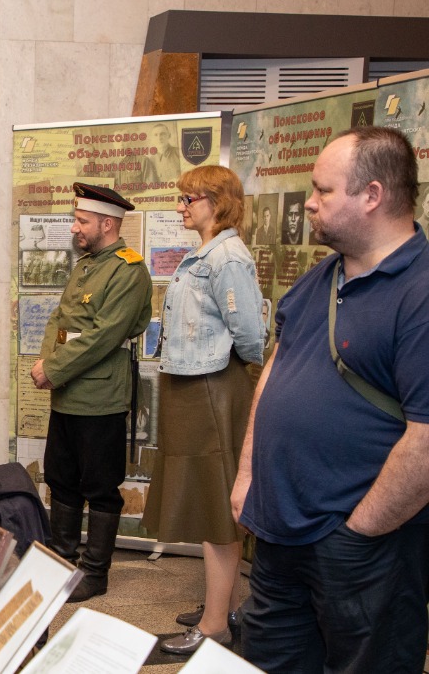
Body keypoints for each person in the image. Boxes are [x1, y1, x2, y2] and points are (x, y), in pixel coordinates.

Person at [233, 126, 429, 672]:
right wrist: (250, 475)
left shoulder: (421, 292)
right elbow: (278, 365)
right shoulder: (324, 273)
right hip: (280, 534)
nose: (310, 204)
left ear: (372, 195)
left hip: (365, 547)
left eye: (323, 191)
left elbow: (427, 441)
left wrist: (359, 531)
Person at [141, 166, 265, 654]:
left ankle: (216, 626)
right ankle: (227, 606)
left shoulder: (227, 256)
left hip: (214, 386)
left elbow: (252, 337)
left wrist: (230, 382)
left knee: (217, 505)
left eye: (188, 199)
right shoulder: (206, 253)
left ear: (217, 201)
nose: (180, 207)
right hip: (194, 384)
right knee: (209, 500)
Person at [31, 182, 152, 603]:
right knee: (62, 479)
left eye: (82, 221)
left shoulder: (128, 270)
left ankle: (94, 574)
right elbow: (60, 322)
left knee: (99, 485)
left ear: (107, 222)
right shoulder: (87, 264)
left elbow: (103, 336)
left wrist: (53, 368)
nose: (73, 228)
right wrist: (48, 366)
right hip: (67, 393)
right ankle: (63, 560)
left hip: (100, 398)